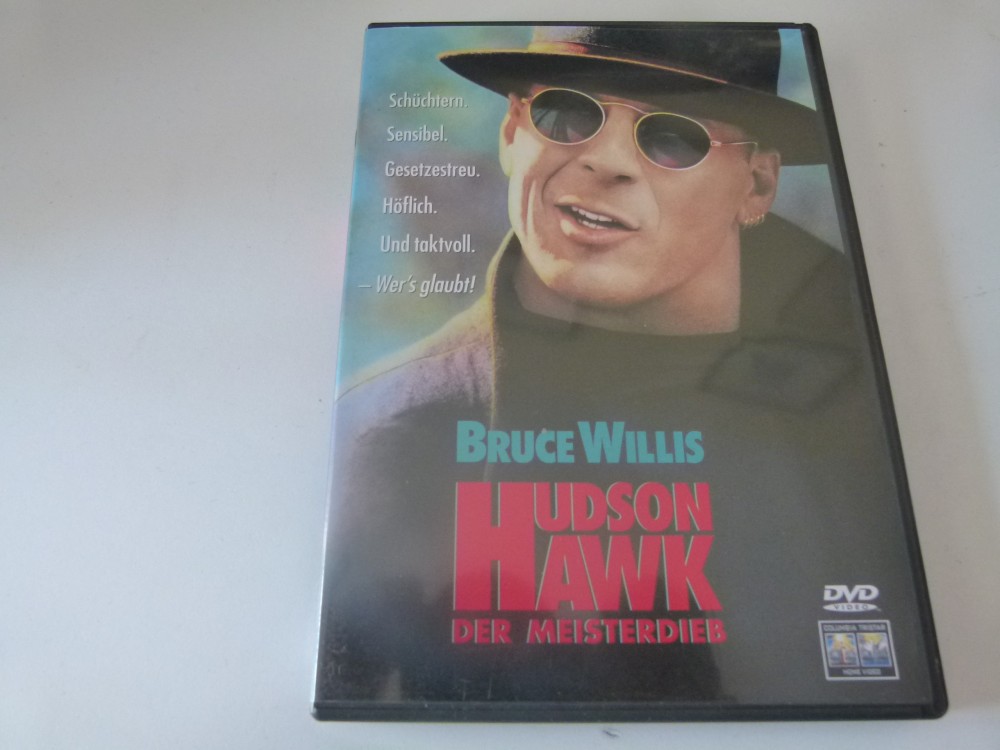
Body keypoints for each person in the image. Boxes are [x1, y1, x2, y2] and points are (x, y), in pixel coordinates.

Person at [317, 25, 921, 710]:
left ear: (756, 184)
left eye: (676, 136)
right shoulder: (393, 436)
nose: (605, 163)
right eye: (566, 113)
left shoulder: (868, 400)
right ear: (512, 131)